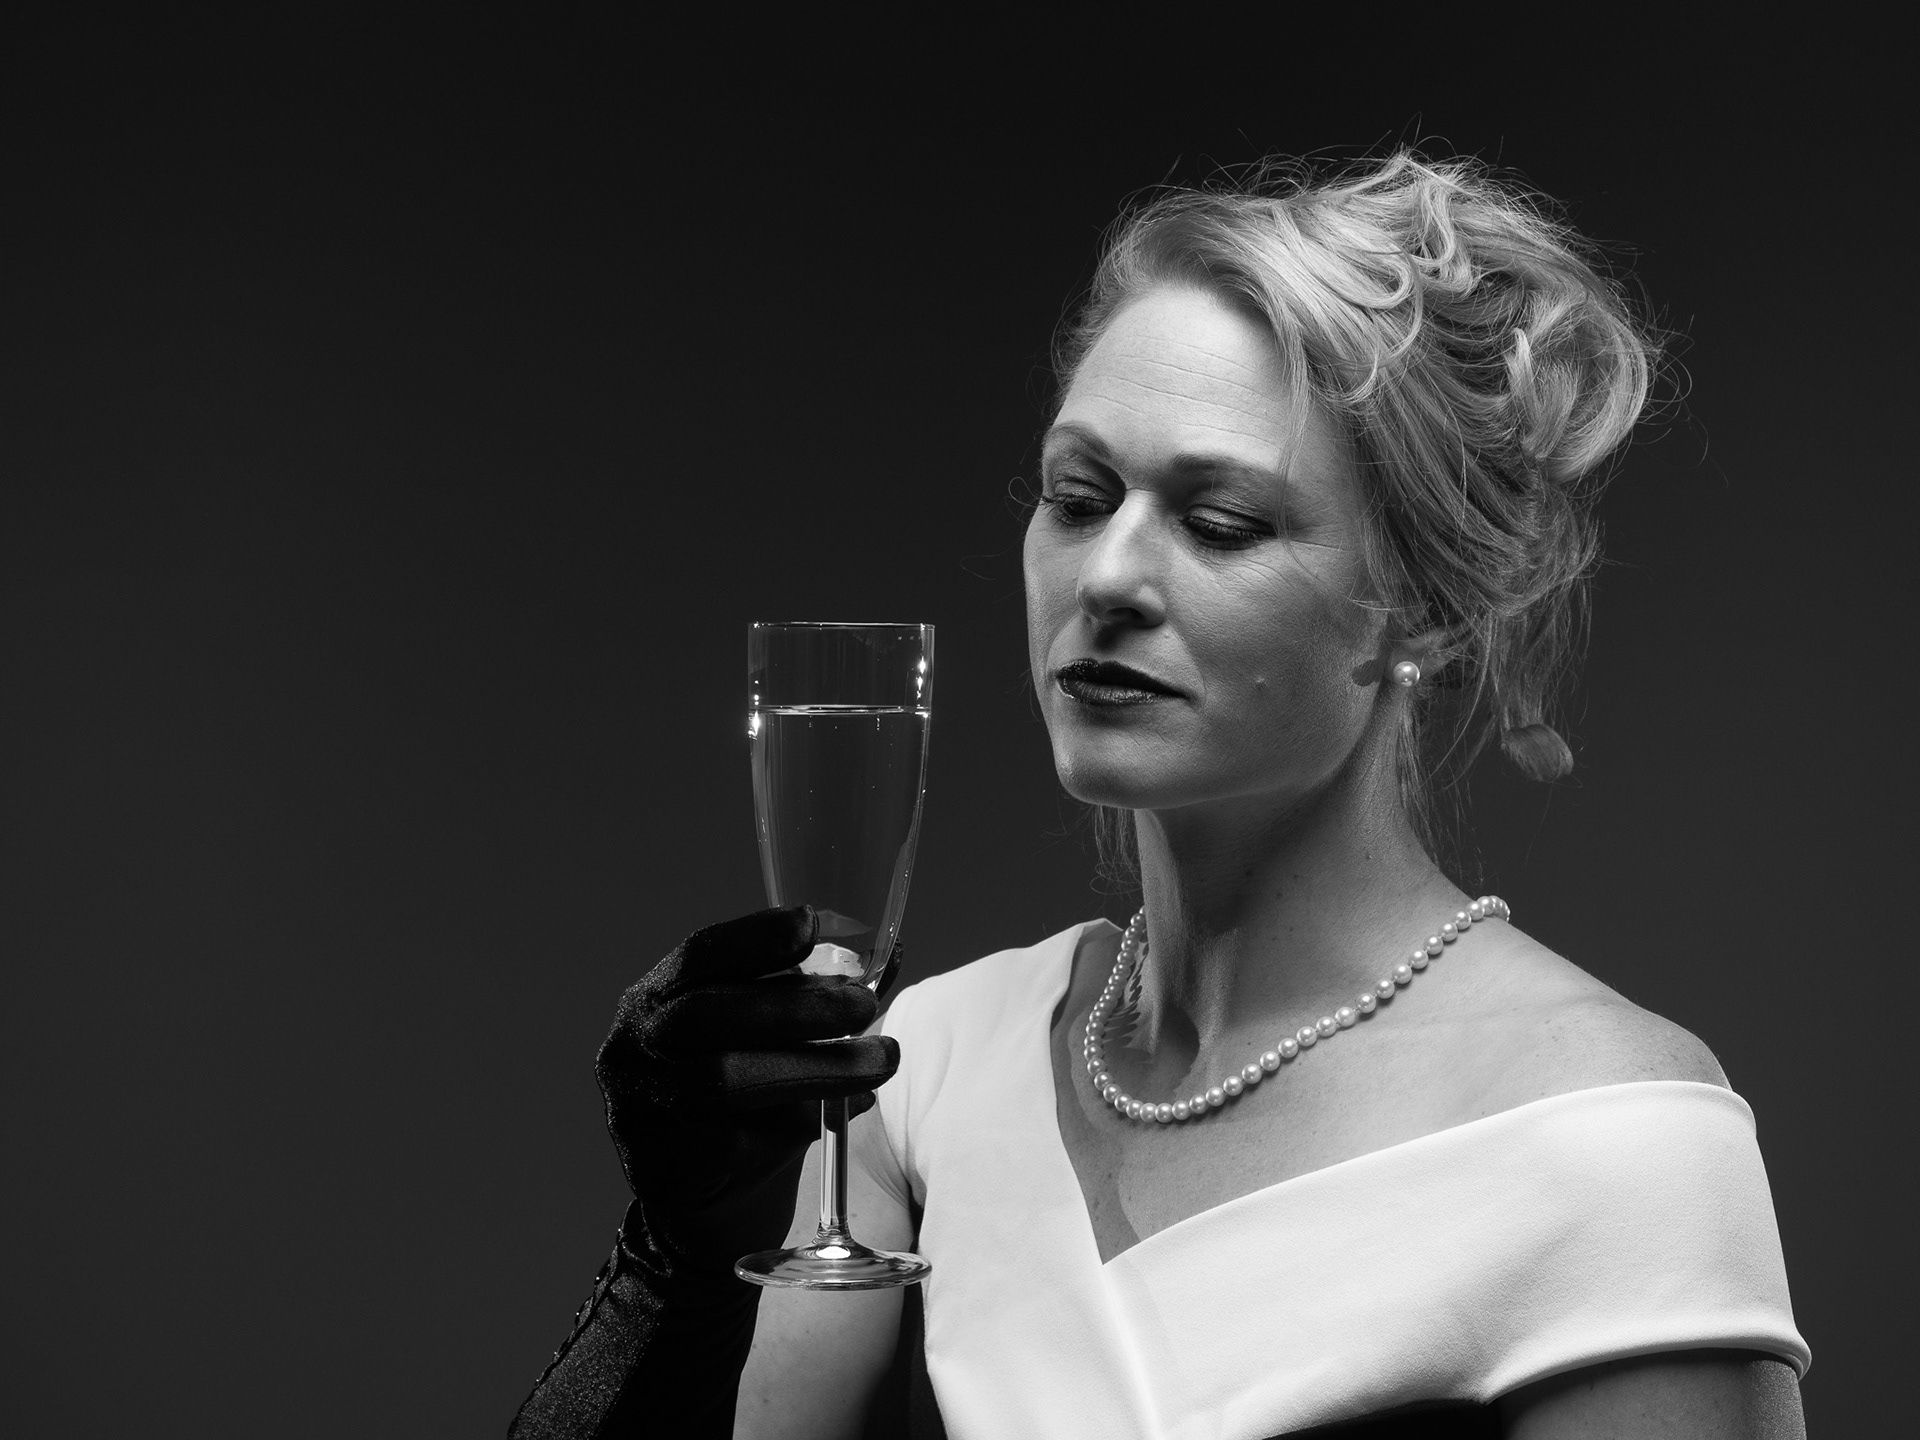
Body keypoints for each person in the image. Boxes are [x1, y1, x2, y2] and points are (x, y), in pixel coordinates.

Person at [510, 152, 1809, 1438]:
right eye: (1078, 498)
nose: (1109, 577)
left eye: (1221, 521)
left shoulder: (1605, 1133)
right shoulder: (932, 1070)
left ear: (1421, 609)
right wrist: (675, 1266)